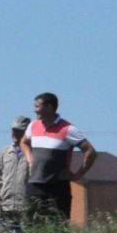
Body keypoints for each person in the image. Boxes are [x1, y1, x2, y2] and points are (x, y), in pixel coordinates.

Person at [22, 91, 97, 223]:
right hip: (34, 185)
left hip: (57, 187)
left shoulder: (68, 129)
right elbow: (24, 142)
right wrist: (29, 159)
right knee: (31, 225)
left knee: (58, 226)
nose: (35, 110)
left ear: (49, 107)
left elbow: (90, 151)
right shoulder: (33, 125)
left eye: (37, 106)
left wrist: (77, 175)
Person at [0, 114, 30, 231]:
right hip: (5, 207)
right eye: (13, 130)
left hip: (26, 207)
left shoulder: (33, 153)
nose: (15, 134)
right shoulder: (3, 153)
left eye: (19, 131)